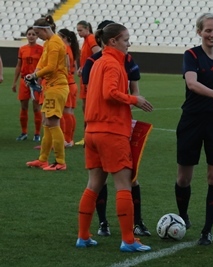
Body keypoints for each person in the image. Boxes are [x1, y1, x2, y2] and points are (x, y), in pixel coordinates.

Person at [76, 23, 153, 252]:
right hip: (111, 131)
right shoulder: (113, 64)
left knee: (94, 185)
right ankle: (128, 240)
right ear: (113, 41)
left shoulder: (98, 62)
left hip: (92, 132)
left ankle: (83, 236)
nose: (129, 43)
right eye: (126, 39)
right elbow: (109, 93)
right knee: (123, 185)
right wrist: (134, 99)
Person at [175, 13, 213, 246]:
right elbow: (192, 83)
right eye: (208, 30)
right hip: (191, 120)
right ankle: (183, 216)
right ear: (199, 32)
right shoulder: (191, 55)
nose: (212, 34)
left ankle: (207, 231)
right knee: (183, 177)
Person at [25, 15, 69, 171]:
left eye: (38, 33)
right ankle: (43, 159)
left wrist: (35, 75)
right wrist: (35, 72)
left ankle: (60, 161)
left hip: (56, 86)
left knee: (53, 123)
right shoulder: (50, 42)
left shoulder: (55, 43)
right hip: (50, 87)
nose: (37, 37)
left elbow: (50, 67)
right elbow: (43, 62)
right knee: (47, 123)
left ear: (45, 30)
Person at [11, 27, 43, 142]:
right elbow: (19, 65)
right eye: (29, 34)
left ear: (37, 36)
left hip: (36, 80)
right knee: (23, 106)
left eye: (33, 34)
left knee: (36, 107)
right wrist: (14, 82)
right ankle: (24, 132)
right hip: (24, 80)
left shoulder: (41, 49)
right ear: (26, 35)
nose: (31, 36)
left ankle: (37, 133)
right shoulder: (22, 49)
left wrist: (40, 80)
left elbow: (43, 66)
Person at [75, 20, 101, 145]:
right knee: (85, 106)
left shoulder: (91, 39)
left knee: (88, 107)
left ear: (87, 28)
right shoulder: (86, 40)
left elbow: (98, 54)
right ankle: (87, 136)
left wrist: (86, 68)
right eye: (78, 31)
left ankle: (89, 136)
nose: (79, 33)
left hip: (89, 78)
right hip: (85, 77)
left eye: (80, 30)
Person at [57, 28, 80, 148]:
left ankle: (66, 139)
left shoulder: (65, 48)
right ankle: (69, 139)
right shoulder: (71, 49)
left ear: (65, 38)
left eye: (59, 37)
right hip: (72, 83)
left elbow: (66, 66)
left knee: (66, 112)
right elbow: (74, 68)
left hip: (67, 83)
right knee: (70, 112)